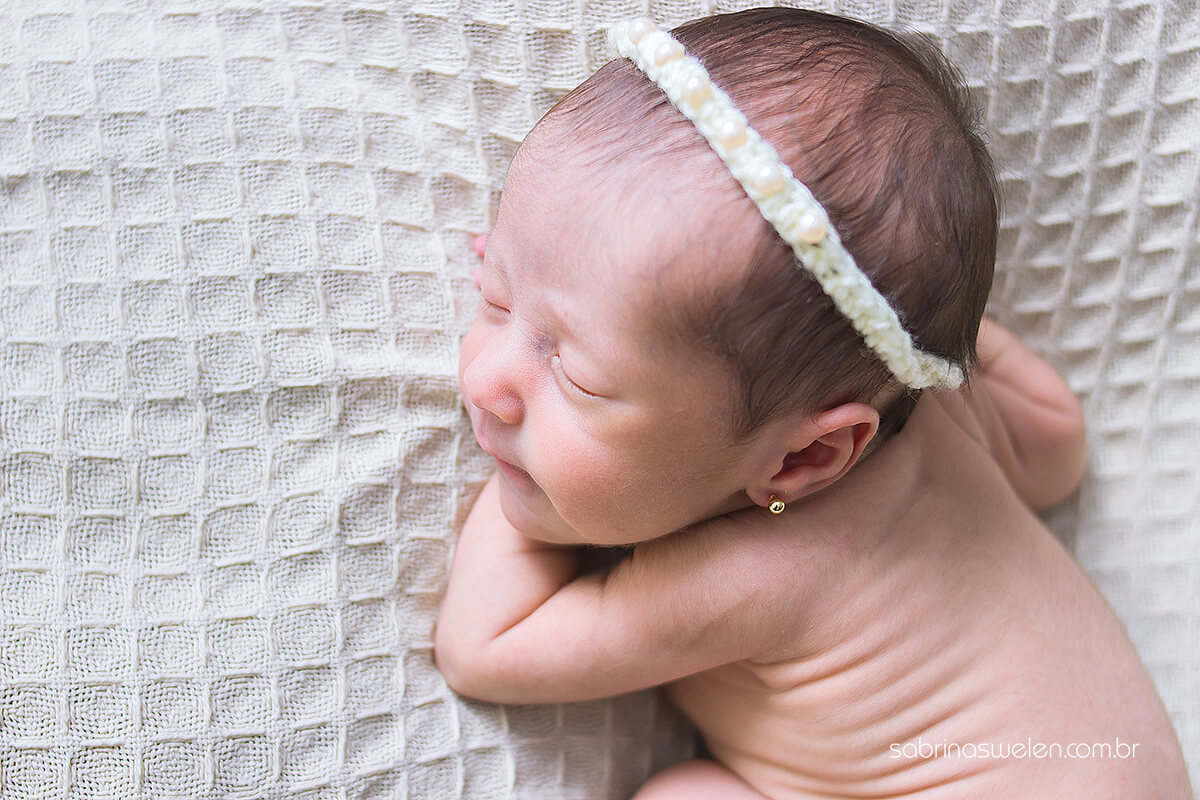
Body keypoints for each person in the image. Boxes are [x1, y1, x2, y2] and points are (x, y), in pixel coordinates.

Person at [434, 8, 1192, 798]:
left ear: (805, 458)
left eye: (579, 377)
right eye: (497, 295)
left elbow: (484, 649)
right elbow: (1060, 449)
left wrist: (521, 483)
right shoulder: (942, 410)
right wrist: (897, 336)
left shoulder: (758, 575)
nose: (487, 381)